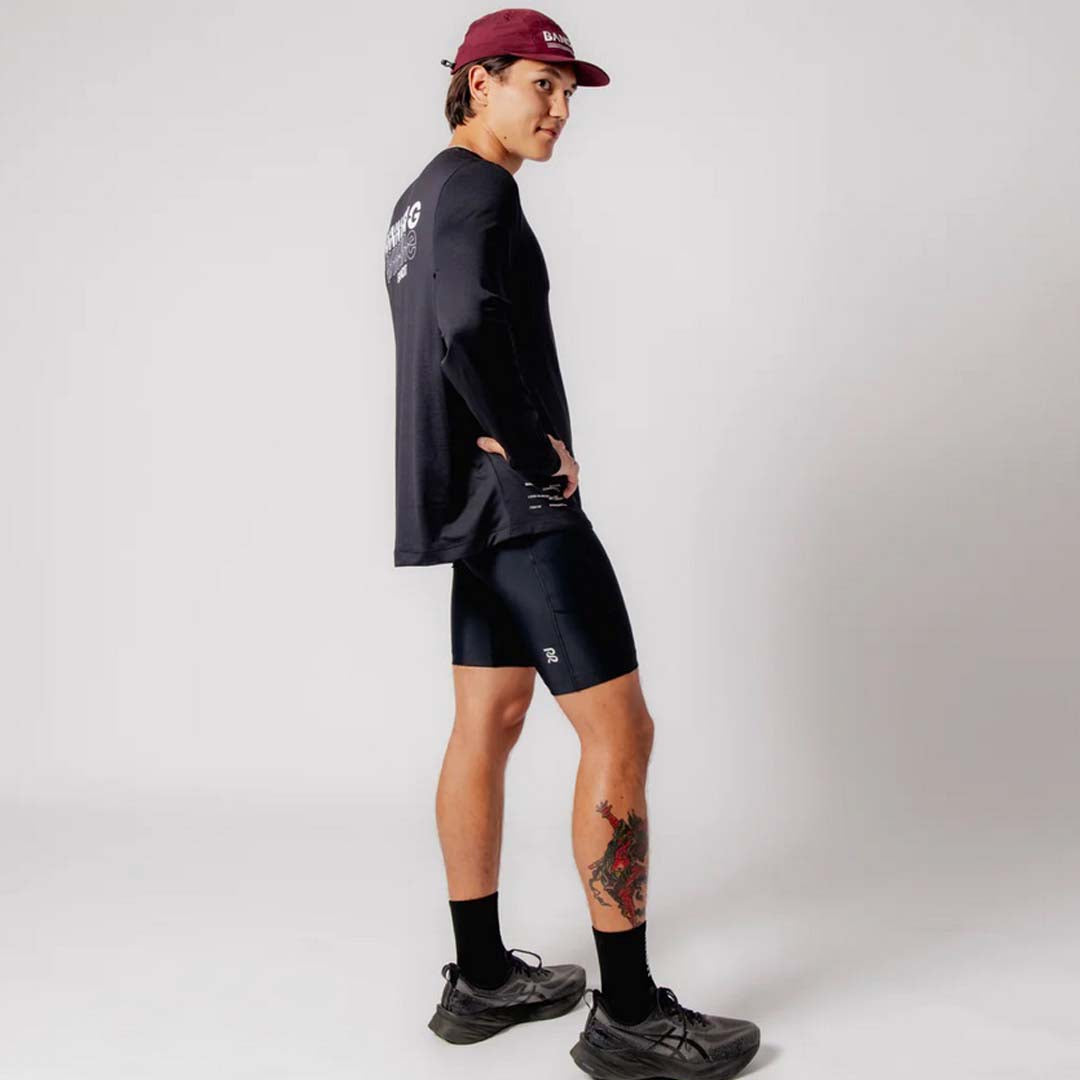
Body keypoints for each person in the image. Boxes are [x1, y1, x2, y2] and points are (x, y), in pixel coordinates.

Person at [382, 9, 761, 1078]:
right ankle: (628, 1014)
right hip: (521, 509)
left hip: (464, 511)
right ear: (479, 82)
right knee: (621, 733)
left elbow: (441, 330)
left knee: (489, 720)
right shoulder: (481, 190)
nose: (558, 109)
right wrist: (531, 447)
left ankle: (480, 979)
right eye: (539, 85)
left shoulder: (418, 199)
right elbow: (462, 328)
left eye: (567, 92)